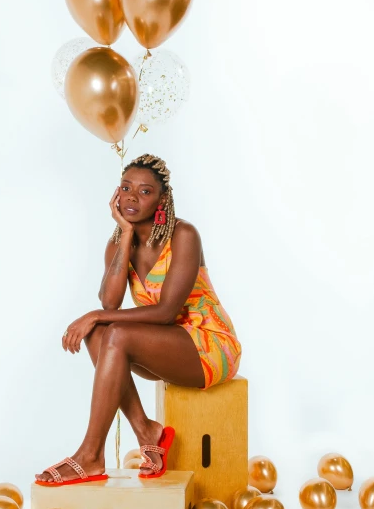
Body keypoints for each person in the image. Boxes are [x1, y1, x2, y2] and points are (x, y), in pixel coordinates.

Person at [35, 153, 242, 485]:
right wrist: (126, 234)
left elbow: (165, 313)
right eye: (126, 188)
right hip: (167, 344)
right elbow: (110, 300)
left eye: (145, 191)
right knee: (100, 333)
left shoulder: (184, 236)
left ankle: (90, 455)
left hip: (209, 344)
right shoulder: (119, 244)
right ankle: (146, 430)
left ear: (163, 199)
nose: (132, 197)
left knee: (108, 328)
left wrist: (94, 315)